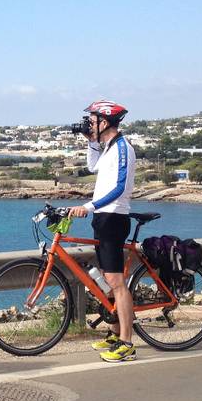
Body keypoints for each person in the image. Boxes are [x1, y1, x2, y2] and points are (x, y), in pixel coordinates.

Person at [67, 99, 137, 362]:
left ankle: (127, 343)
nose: (89, 124)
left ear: (105, 122)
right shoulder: (108, 147)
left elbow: (119, 188)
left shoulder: (123, 148)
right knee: (109, 280)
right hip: (103, 218)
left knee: (118, 283)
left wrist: (89, 206)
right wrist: (89, 141)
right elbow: (92, 167)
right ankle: (114, 334)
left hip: (113, 217)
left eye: (93, 120)